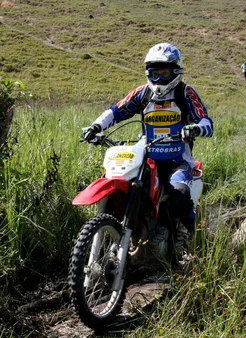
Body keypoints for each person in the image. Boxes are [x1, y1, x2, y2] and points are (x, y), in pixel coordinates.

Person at [81, 42, 213, 236]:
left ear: (176, 71)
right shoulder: (142, 93)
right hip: (145, 160)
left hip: (178, 162)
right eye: (154, 73)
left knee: (180, 196)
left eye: (165, 74)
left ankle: (197, 237)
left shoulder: (185, 93)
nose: (159, 79)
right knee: (121, 184)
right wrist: (95, 126)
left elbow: (206, 122)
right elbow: (116, 111)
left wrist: (195, 129)